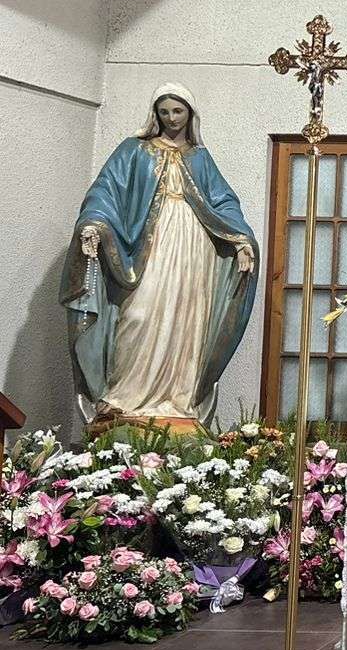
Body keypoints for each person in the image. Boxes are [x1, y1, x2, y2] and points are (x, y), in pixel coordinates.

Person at [61, 83, 258, 424]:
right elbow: (106, 190)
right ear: (155, 114)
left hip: (193, 247)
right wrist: (93, 223)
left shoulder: (200, 158)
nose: (171, 118)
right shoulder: (134, 151)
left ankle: (177, 401)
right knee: (139, 314)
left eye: (178, 111)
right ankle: (124, 396)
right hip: (147, 249)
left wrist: (241, 239)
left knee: (186, 320)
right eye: (164, 111)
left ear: (190, 114)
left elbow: (224, 202)